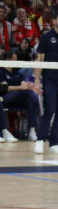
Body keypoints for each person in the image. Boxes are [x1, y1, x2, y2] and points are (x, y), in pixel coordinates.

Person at [34, 9, 58, 155]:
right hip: (50, 80)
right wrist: (37, 80)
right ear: (54, 21)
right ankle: (40, 139)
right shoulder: (46, 37)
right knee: (50, 109)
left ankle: (54, 142)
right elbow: (40, 60)